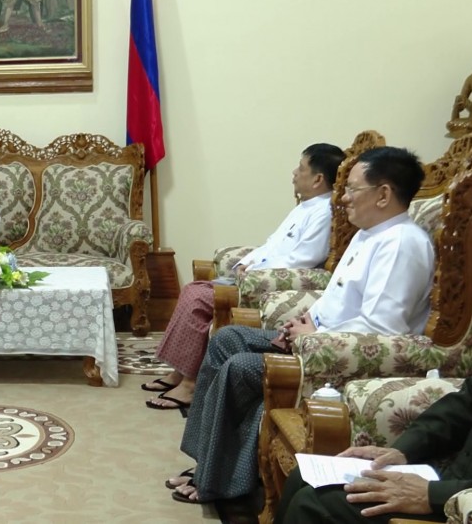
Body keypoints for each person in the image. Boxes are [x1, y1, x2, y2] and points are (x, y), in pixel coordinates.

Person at [169, 147, 436, 504]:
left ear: (383, 194)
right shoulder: (368, 233)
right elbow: (336, 297)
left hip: (338, 360)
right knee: (227, 338)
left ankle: (216, 482)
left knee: (241, 368)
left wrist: (316, 336)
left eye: (352, 189)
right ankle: (206, 461)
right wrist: (305, 321)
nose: (342, 198)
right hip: (317, 340)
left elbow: (383, 327)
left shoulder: (402, 243)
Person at [145, 143, 345, 410]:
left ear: (318, 179)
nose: (294, 172)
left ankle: (191, 384)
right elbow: (271, 244)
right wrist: (245, 262)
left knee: (199, 298)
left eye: (301, 168)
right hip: (255, 274)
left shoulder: (324, 212)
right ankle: (179, 373)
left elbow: (304, 258)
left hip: (268, 284)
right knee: (193, 289)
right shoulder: (305, 207)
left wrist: (254, 272)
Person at [275, 360, 472, 523]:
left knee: (315, 504)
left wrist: (433, 495)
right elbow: (465, 404)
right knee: (303, 477)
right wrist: (402, 451)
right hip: (450, 475)